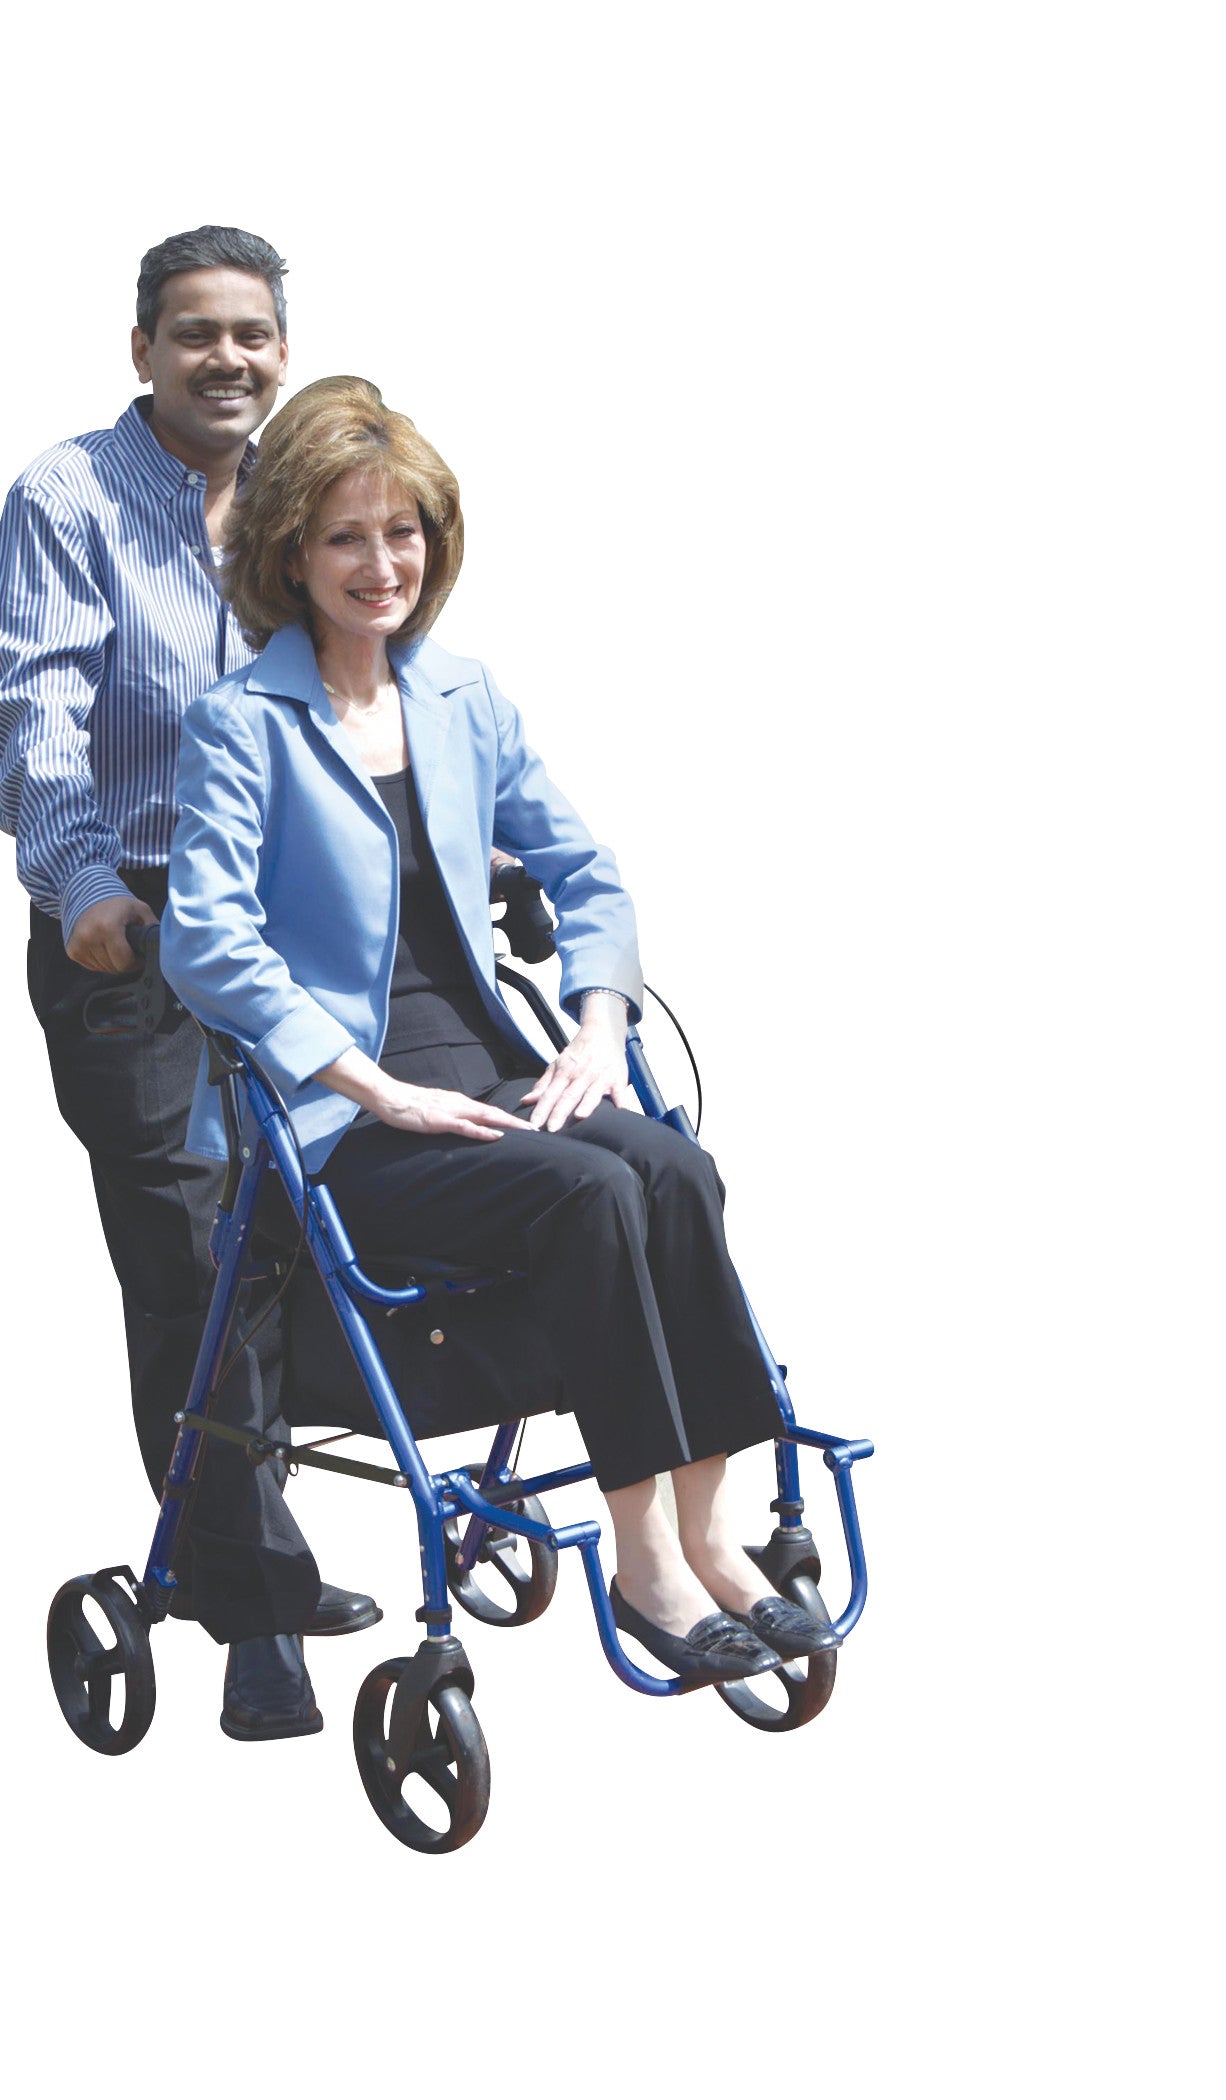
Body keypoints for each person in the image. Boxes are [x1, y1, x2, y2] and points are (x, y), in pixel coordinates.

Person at [160, 378, 842, 1679]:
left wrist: (594, 1025)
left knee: (675, 1166)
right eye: (347, 537)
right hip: (358, 1115)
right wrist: (369, 1087)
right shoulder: (243, 727)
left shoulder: (463, 698)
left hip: (499, 1070)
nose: (381, 564)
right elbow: (207, 939)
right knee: (592, 1197)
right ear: (291, 552)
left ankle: (710, 1540)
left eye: (403, 530)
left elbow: (588, 874)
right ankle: (642, 1562)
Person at [0, 230, 378, 1744]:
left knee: (324, 1226)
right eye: (198, 334)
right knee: (196, 1245)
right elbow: (41, 712)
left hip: (290, 926)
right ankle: (255, 1604)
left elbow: (373, 673)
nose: (231, 360)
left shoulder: (310, 494)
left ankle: (256, 1525)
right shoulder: (66, 497)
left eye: (254, 336)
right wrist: (81, 884)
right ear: (140, 348)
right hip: (134, 933)